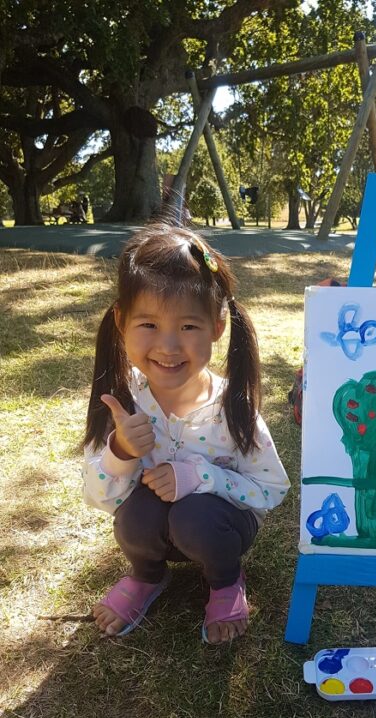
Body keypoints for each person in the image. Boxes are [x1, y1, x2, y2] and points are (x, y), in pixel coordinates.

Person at [82, 223, 290, 643]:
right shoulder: (123, 402)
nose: (169, 346)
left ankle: (225, 580)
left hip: (219, 528)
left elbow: (272, 489)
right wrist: (119, 451)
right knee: (135, 513)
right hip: (155, 530)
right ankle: (146, 576)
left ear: (217, 325)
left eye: (189, 327)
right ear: (121, 322)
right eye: (148, 325)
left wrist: (204, 478)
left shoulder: (233, 409)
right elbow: (98, 498)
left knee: (194, 513)